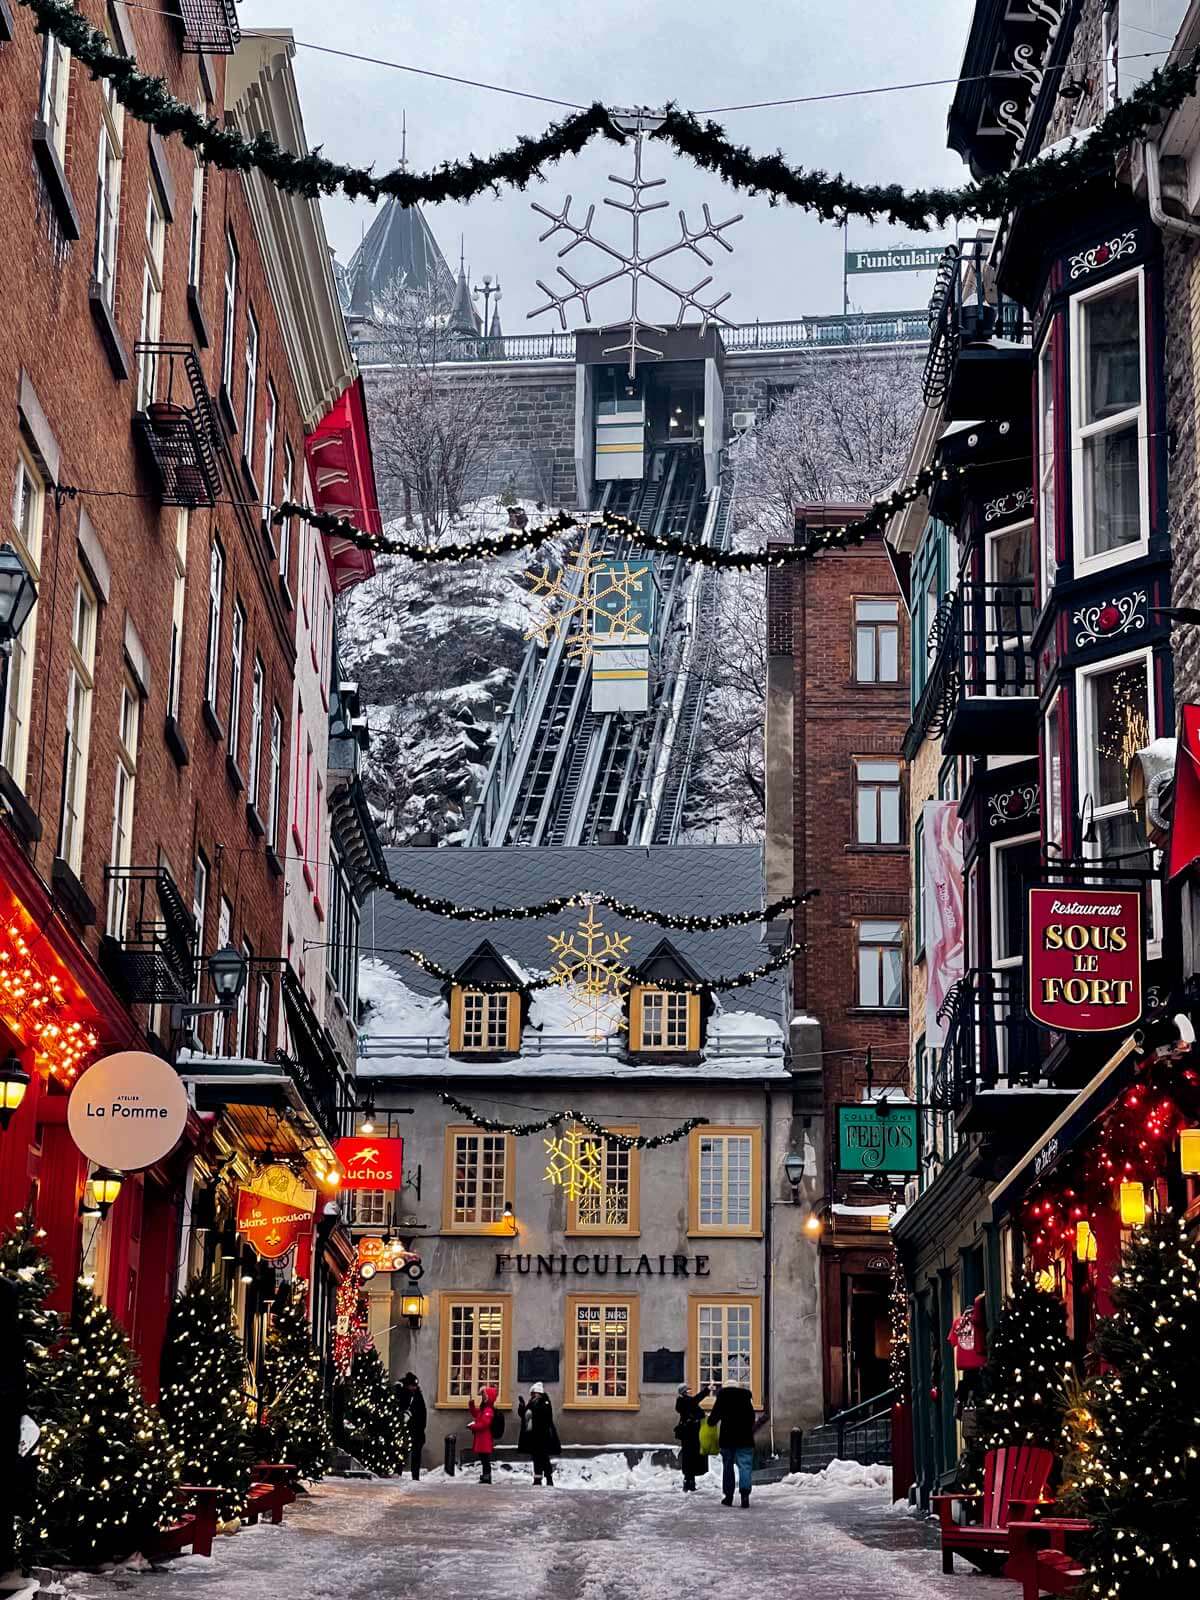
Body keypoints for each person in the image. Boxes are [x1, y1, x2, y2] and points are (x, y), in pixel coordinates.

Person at [707, 1379, 762, 1508]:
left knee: (728, 1467)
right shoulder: (746, 1397)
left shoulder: (722, 1397)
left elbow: (713, 1419)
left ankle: (728, 1497)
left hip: (727, 1438)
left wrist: (710, 1420)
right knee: (745, 1466)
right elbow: (751, 1418)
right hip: (745, 1438)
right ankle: (745, 1495)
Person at [518, 1381, 561, 1486]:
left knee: (544, 1458)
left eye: (533, 1393)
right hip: (533, 1435)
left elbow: (542, 1415)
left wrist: (530, 1410)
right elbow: (525, 1416)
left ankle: (549, 1478)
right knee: (536, 1458)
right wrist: (522, 1407)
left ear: (538, 1393)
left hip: (543, 1435)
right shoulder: (532, 1402)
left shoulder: (544, 1402)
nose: (532, 1395)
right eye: (532, 1394)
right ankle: (537, 1479)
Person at [674, 1383, 710, 1492]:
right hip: (690, 1433)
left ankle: (690, 1481)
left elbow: (695, 1407)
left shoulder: (686, 1401)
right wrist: (706, 1390)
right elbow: (695, 1401)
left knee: (692, 1456)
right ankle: (688, 1482)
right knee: (690, 1456)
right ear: (684, 1391)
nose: (690, 1391)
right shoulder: (683, 1401)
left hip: (692, 1432)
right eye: (688, 1390)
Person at [467, 1385, 498, 1484]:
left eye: (484, 1396)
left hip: (485, 1438)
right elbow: (476, 1414)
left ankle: (487, 1476)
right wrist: (471, 1404)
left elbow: (484, 1424)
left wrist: (473, 1426)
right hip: (482, 1438)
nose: (483, 1398)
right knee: (483, 1458)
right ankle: (485, 1475)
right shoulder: (484, 1409)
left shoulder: (488, 1410)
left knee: (485, 1459)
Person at [399, 1372, 427, 1482]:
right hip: (406, 1430)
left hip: (417, 1431)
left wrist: (422, 1428)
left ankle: (415, 1476)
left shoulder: (417, 1395)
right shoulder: (403, 1394)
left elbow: (422, 1413)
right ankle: (399, 1473)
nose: (414, 1387)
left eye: (415, 1386)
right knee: (403, 1453)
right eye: (412, 1385)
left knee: (416, 1455)